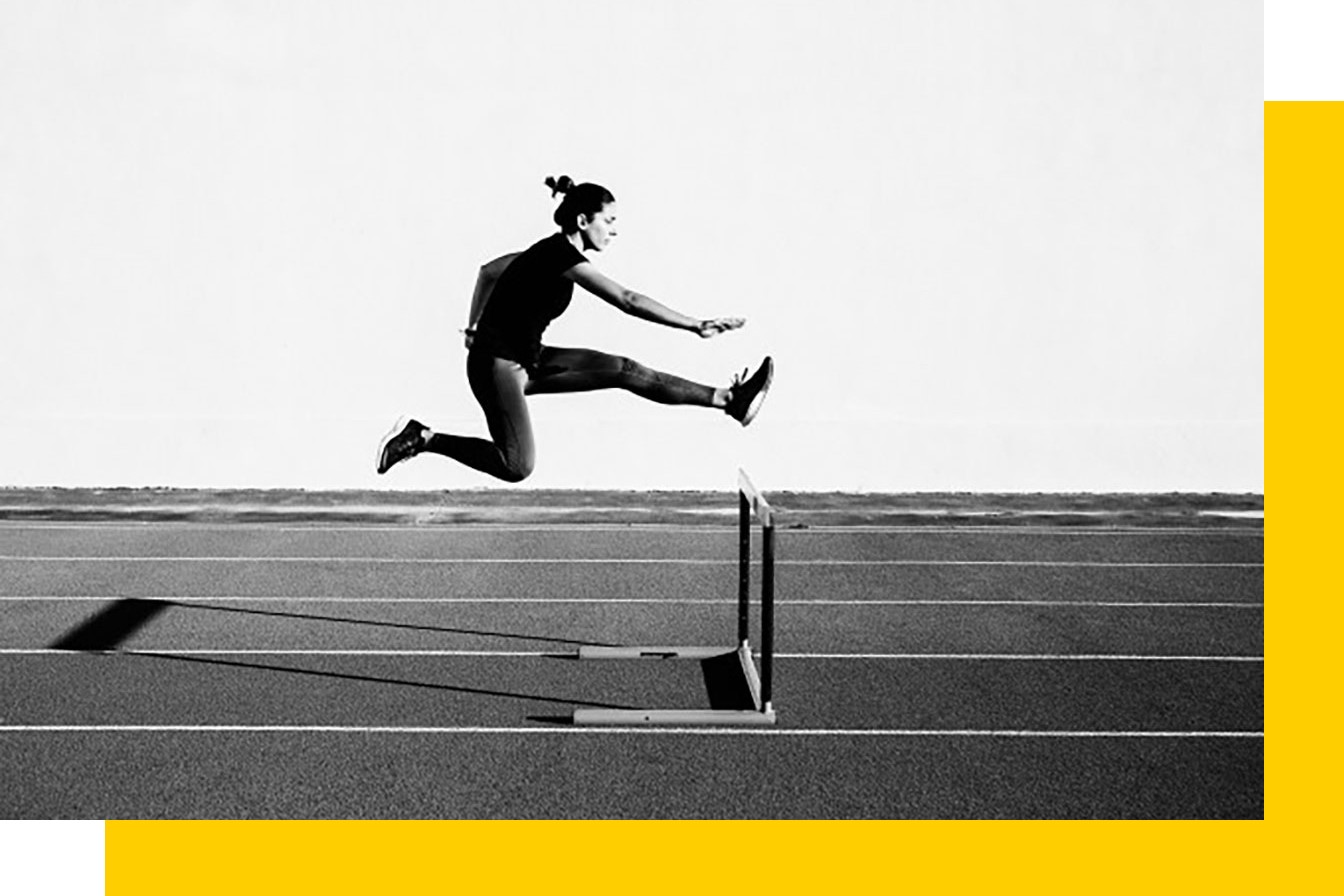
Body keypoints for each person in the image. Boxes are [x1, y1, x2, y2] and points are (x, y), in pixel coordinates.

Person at [376, 175, 773, 483]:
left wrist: (473, 324)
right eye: (610, 221)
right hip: (496, 367)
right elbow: (627, 299)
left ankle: (729, 399)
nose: (614, 231)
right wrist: (695, 325)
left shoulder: (545, 252)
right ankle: (424, 437)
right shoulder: (558, 255)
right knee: (517, 466)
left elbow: (489, 271)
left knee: (624, 369)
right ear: (584, 221)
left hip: (527, 360)